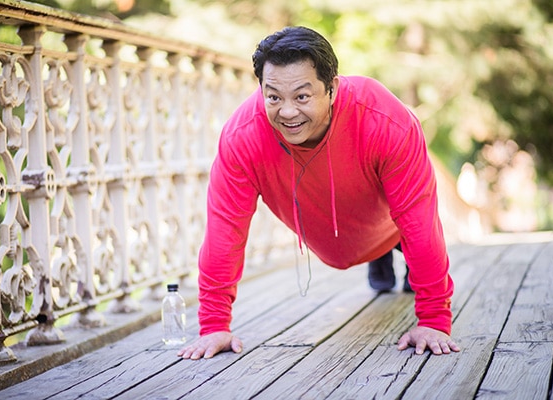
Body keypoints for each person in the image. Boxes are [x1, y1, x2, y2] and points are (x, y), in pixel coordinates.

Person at [178, 26, 460, 360]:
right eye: (273, 97)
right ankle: (379, 258)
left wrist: (433, 320)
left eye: (302, 96)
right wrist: (213, 325)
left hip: (386, 220)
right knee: (360, 238)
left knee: (404, 233)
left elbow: (419, 221)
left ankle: (392, 257)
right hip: (329, 231)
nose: (287, 112)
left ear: (332, 89)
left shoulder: (385, 120)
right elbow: (225, 231)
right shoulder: (242, 137)